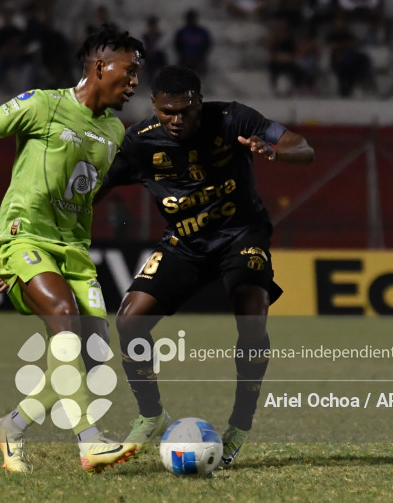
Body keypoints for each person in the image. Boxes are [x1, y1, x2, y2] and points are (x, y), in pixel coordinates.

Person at [0, 25, 146, 474]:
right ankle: (90, 443)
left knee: (92, 357)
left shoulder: (114, 130)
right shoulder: (42, 104)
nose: (134, 83)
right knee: (63, 317)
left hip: (73, 250)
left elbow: (89, 190)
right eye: (129, 72)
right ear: (99, 67)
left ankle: (11, 427)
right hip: (25, 236)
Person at [97, 65, 314, 466]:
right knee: (129, 320)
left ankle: (240, 425)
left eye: (186, 111)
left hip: (241, 234)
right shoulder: (140, 143)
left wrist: (275, 150)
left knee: (252, 314)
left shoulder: (233, 118)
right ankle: (150, 414)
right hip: (185, 242)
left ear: (200, 102)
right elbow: (95, 191)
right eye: (167, 112)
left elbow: (303, 146)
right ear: (154, 106)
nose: (177, 120)